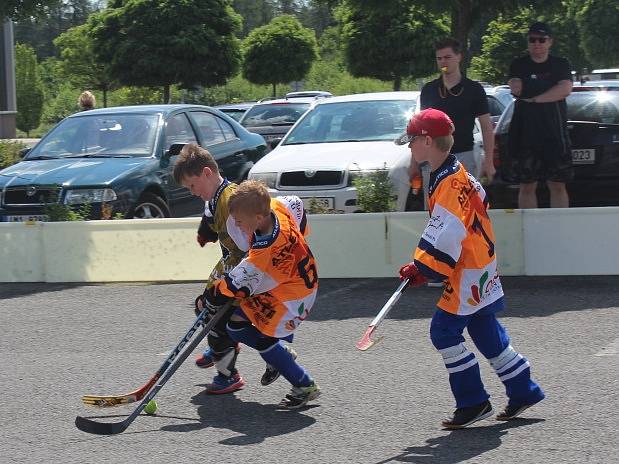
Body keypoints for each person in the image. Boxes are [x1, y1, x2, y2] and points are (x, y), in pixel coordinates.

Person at [395, 108, 544, 429]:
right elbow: (456, 222)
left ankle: (473, 401)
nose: (409, 147)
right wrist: (423, 265)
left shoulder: (448, 182)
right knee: (484, 329)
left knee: (443, 332)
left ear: (427, 141)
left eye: (412, 141)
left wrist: (425, 267)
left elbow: (446, 230)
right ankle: (523, 390)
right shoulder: (459, 173)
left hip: (468, 268)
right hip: (481, 262)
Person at [173, 143, 288, 393]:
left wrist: (239, 283)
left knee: (217, 317)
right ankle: (221, 345)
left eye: (192, 186)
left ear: (206, 173)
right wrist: (206, 230)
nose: (192, 192)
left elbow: (253, 247)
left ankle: (228, 373)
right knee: (205, 307)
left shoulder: (229, 201)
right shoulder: (215, 197)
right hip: (230, 264)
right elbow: (210, 213)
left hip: (245, 270)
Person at [200, 180, 321, 409]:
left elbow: (234, 284)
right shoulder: (276, 207)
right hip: (288, 285)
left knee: (264, 340)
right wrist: (301, 235)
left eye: (240, 222)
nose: (237, 226)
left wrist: (211, 296)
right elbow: (296, 204)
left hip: (294, 299)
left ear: (257, 218)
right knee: (236, 325)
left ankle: (304, 384)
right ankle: (280, 353)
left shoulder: (266, 248)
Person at [413, 37, 495, 187]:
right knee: (436, 208)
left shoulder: (474, 89)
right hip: (433, 158)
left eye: (448, 57)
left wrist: (488, 162)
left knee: (462, 208)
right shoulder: (429, 90)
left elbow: (486, 127)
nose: (443, 62)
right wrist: (414, 161)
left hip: (464, 156)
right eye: (439, 58)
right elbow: (420, 129)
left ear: (459, 57)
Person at [507, 22, 573, 208]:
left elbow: (565, 89)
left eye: (541, 39)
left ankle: (559, 228)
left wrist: (534, 97)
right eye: (532, 40)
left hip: (555, 133)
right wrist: (551, 89)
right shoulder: (519, 64)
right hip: (526, 132)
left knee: (557, 184)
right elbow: (517, 89)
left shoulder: (561, 63)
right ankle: (529, 231)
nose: (537, 43)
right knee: (527, 185)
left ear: (550, 42)